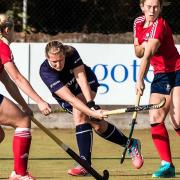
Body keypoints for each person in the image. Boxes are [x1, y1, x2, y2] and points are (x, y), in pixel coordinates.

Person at [39, 40, 144, 176]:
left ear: (64, 54)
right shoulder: (45, 72)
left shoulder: (71, 52)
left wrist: (91, 105)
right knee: (97, 125)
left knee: (79, 113)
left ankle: (84, 164)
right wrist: (91, 113)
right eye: (54, 62)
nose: (58, 65)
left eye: (61, 60)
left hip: (87, 83)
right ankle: (130, 144)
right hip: (68, 96)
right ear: (47, 59)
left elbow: (81, 78)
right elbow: (71, 99)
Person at [0, 14, 51, 180]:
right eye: (14, 28)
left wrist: (25, 106)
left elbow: (8, 82)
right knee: (22, 122)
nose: (14, 32)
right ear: (7, 30)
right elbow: (18, 78)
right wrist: (40, 101)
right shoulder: (2, 47)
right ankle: (20, 174)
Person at [133, 0, 180, 178]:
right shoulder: (137, 22)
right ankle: (167, 165)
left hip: (177, 71)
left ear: (160, 8)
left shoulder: (159, 26)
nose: (152, 11)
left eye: (156, 7)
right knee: (155, 116)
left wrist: (140, 80)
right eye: (149, 7)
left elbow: (146, 56)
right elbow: (137, 52)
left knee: (178, 121)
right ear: (142, 6)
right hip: (160, 74)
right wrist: (142, 48)